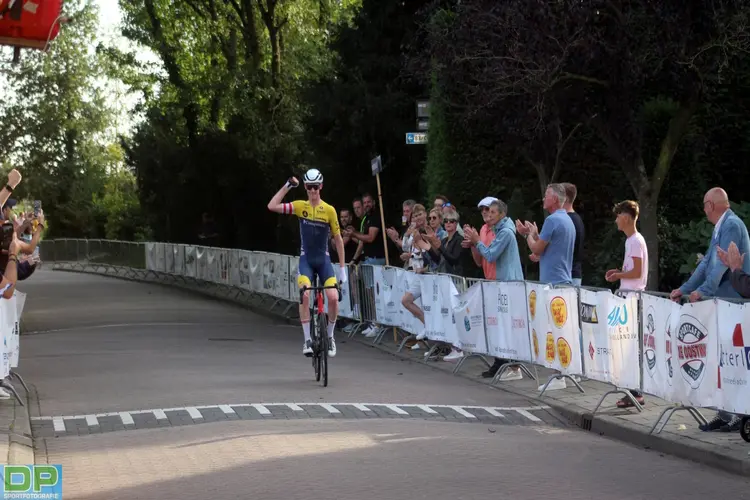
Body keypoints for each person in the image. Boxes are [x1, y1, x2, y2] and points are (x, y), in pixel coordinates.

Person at [267, 168, 347, 358]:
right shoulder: (299, 206)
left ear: (321, 186)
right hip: (307, 261)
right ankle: (307, 340)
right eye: (309, 187)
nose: (312, 191)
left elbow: (338, 239)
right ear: (304, 187)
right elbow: (272, 206)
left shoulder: (329, 210)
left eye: (316, 187)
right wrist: (288, 185)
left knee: (334, 298)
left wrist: (342, 268)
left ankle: (330, 337)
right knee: (304, 294)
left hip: (324, 260)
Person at [605, 200, 648, 408]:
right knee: (628, 344)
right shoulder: (632, 240)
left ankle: (636, 392)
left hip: (633, 298)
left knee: (630, 345)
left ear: (627, 217)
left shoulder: (635, 241)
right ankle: (633, 390)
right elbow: (633, 270)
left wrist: (618, 275)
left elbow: (637, 272)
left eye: (618, 215)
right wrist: (619, 273)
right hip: (630, 297)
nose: (616, 220)